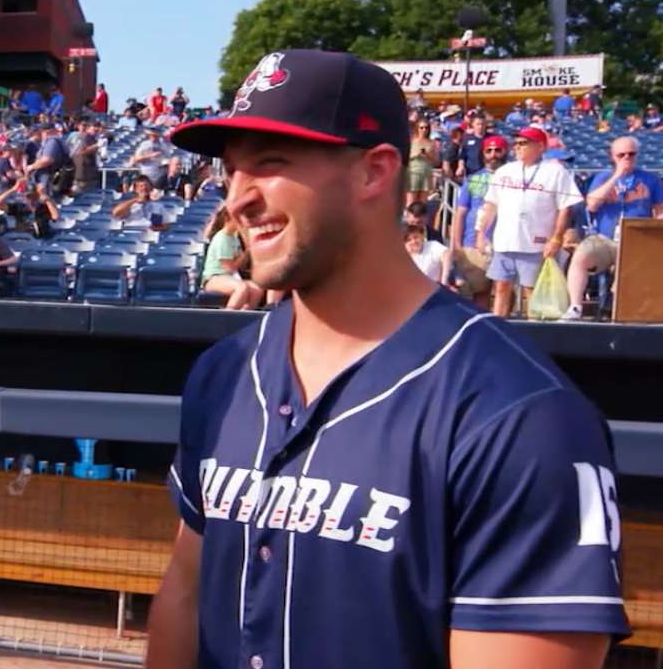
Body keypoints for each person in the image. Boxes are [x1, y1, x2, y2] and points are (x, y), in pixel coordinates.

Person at [148, 49, 625, 669]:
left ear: (374, 173)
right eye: (232, 171)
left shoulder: (522, 417)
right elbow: (186, 590)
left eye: (269, 163)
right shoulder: (223, 374)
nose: (238, 198)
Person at [476, 126, 582, 318]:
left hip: (535, 243)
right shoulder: (504, 171)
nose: (517, 147)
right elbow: (490, 204)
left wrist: (556, 238)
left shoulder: (555, 171)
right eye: (515, 144)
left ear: (540, 146)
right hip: (505, 241)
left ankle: (532, 332)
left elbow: (565, 207)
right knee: (500, 288)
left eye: (523, 143)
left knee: (531, 291)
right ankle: (498, 329)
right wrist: (480, 233)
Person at [562, 136, 663, 320]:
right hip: (605, 238)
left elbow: (659, 211)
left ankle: (616, 308)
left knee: (628, 269)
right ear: (613, 156)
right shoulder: (602, 177)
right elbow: (592, 204)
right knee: (581, 257)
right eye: (621, 155)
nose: (627, 158)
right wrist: (617, 175)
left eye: (631, 154)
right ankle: (575, 307)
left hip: (638, 239)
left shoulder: (650, 180)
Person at [448, 134, 507, 308]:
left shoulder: (513, 178)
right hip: (472, 243)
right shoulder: (472, 179)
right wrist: (457, 244)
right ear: (483, 154)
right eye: (489, 151)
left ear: (505, 152)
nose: (493, 154)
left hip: (505, 243)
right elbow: (460, 213)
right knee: (478, 291)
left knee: (503, 290)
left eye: (498, 150)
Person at [200, 207, 263, 310]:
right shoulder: (221, 238)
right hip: (214, 278)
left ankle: (245, 317)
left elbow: (240, 264)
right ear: (228, 219)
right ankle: (228, 316)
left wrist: (247, 251)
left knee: (257, 289)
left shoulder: (234, 238)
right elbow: (229, 268)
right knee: (241, 288)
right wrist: (246, 252)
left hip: (231, 277)